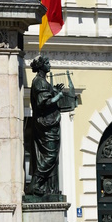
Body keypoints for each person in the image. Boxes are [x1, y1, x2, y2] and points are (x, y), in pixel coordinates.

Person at [24, 54, 66, 200]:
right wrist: (58, 97)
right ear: (41, 66)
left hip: (50, 123)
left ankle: (48, 187)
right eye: (47, 62)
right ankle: (35, 184)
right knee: (50, 155)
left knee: (52, 157)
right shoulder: (39, 82)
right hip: (46, 125)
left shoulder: (43, 82)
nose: (50, 65)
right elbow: (43, 103)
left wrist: (54, 90)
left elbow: (46, 97)